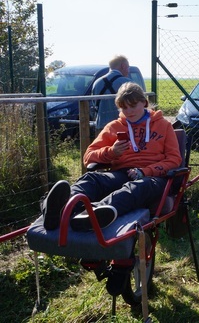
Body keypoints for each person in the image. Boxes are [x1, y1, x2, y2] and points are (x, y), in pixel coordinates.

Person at [41, 82, 182, 231]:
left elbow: (174, 159)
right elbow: (88, 157)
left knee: (138, 186)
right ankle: (58, 210)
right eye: (124, 107)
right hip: (122, 173)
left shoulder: (163, 125)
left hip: (154, 178)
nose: (129, 111)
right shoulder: (114, 127)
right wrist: (111, 152)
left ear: (144, 102)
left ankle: (93, 214)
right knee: (92, 179)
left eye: (133, 106)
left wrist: (146, 171)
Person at [92, 55, 136, 131]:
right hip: (121, 125)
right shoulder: (127, 83)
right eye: (128, 67)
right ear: (123, 66)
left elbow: (94, 103)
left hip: (101, 125)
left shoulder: (97, 82)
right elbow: (135, 104)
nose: (128, 71)